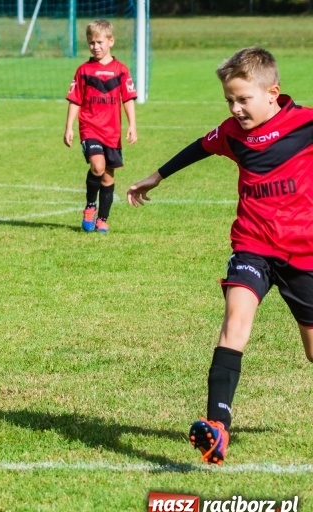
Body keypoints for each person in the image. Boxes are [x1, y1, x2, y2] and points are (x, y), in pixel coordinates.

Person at [127, 47, 313, 465]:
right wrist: (156, 176)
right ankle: (216, 426)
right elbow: (200, 146)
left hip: (304, 253)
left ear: (272, 93)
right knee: (235, 321)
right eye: (230, 100)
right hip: (252, 245)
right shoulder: (232, 132)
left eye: (243, 99)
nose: (235, 108)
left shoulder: (306, 123)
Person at [64, 19, 137, 233]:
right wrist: (68, 127)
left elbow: (128, 99)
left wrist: (132, 124)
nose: (95, 47)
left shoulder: (121, 70)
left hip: (112, 132)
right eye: (91, 43)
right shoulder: (84, 70)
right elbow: (75, 99)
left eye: (99, 42)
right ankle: (89, 206)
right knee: (97, 166)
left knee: (108, 176)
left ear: (110, 41)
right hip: (90, 128)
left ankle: (102, 219)